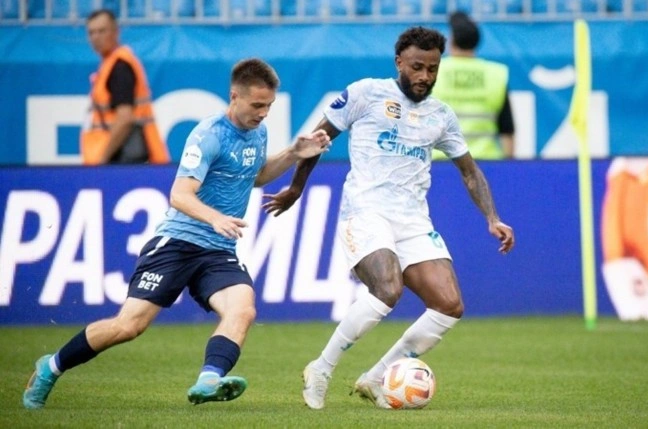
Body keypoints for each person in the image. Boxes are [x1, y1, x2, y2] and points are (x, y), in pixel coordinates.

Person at [23, 58, 332, 409]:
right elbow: (179, 195)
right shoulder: (208, 134)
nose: (263, 113)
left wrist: (292, 152)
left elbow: (256, 176)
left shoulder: (258, 132)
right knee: (129, 326)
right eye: (257, 105)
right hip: (177, 244)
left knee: (242, 310)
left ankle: (209, 379)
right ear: (234, 96)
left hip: (218, 251)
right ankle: (51, 366)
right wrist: (215, 218)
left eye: (269, 106)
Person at [262, 26, 515, 410]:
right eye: (417, 67)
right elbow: (317, 140)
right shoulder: (366, 93)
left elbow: (469, 171)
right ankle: (321, 368)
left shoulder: (441, 115)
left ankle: (377, 377)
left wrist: (492, 218)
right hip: (365, 211)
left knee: (449, 305)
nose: (424, 76)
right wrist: (296, 188)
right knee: (388, 289)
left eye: (432, 69)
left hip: (412, 219)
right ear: (399, 62)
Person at [80, 9, 170, 165]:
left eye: (102, 31)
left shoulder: (119, 66)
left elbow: (125, 117)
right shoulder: (109, 64)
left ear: (116, 32)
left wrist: (102, 158)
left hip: (123, 158)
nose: (96, 37)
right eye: (91, 32)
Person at [431, 11, 515, 160]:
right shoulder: (495, 74)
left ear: (451, 40)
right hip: (485, 161)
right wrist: (509, 165)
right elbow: (507, 130)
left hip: (442, 161)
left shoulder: (432, 70)